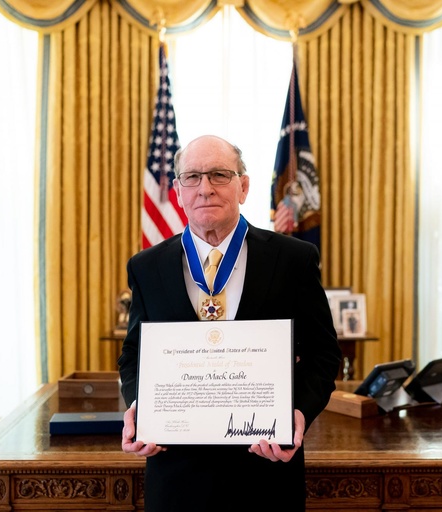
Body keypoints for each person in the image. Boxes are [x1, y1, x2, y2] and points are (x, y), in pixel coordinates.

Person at [117, 135, 341, 511]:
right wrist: (142, 407)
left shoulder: (293, 259)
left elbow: (323, 353)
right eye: (192, 177)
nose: (204, 188)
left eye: (219, 175)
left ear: (244, 186)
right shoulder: (146, 266)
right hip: (176, 477)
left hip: (266, 472)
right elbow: (134, 354)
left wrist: (298, 412)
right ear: (177, 190)